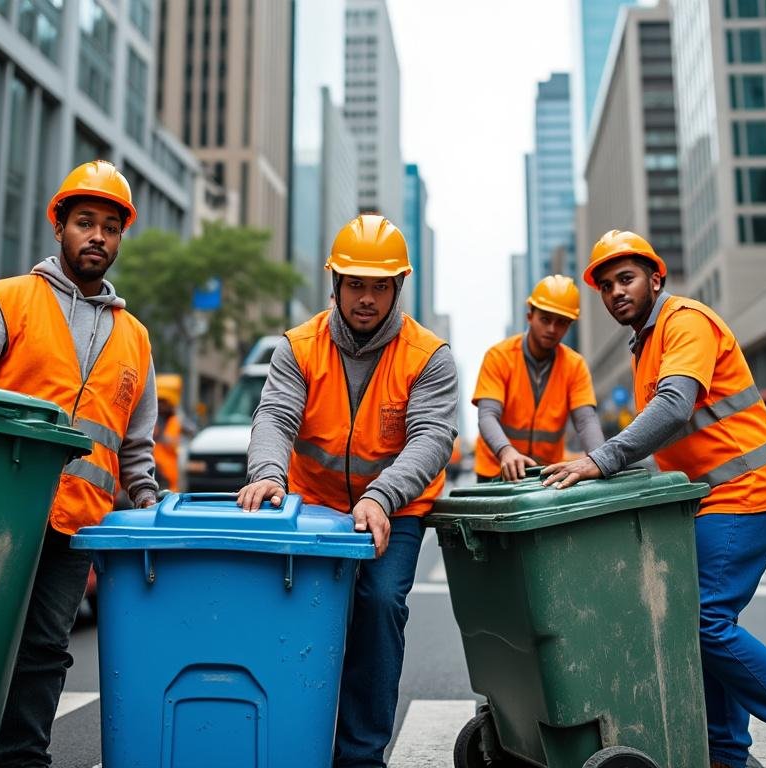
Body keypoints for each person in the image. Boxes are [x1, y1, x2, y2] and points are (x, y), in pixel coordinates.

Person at [540, 230, 766, 768]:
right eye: (607, 285)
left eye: (628, 278)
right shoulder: (645, 344)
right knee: (708, 624)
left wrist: (602, 460)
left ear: (655, 278)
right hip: (713, 499)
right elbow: (668, 437)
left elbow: (673, 408)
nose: (617, 291)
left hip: (747, 492)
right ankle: (726, 754)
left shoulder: (685, 322)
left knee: (702, 618)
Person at [0, 160, 159, 767]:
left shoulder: (135, 337)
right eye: (85, 222)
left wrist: (147, 499)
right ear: (59, 227)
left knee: (47, 651)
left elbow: (135, 444)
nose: (98, 236)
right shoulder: (9, 300)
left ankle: (23, 761)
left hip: (75, 524)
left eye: (110, 226)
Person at [234, 214, 458, 767]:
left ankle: (359, 756)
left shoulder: (428, 356)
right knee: (304, 614)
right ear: (335, 284)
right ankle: (294, 741)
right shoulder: (298, 347)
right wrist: (267, 473)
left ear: (397, 288)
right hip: (313, 505)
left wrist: (381, 497)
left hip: (396, 509)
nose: (366, 298)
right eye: (355, 284)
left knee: (379, 603)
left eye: (379, 286)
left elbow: (431, 438)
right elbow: (275, 416)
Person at [472, 275, 604, 481]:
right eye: (545, 319)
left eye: (561, 322)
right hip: (496, 470)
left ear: (569, 325)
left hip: (545, 474)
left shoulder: (575, 365)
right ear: (529, 316)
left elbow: (586, 420)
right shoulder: (498, 357)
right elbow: (487, 415)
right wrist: (506, 451)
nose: (552, 329)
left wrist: (600, 460)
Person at [153, 374, 182, 490]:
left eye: (163, 402)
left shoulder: (174, 421)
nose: (160, 406)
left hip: (167, 474)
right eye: (159, 402)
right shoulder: (154, 419)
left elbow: (171, 442)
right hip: (155, 469)